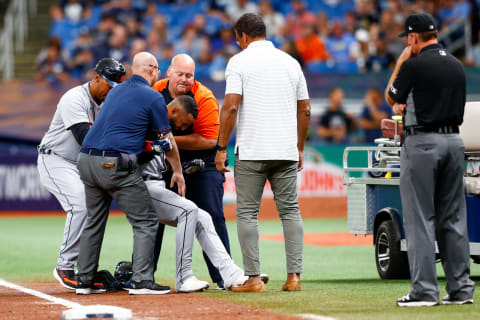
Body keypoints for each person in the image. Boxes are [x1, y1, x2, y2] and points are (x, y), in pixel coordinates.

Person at [215, 13, 311, 292]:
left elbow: (231, 107)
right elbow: (305, 109)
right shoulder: (291, 62)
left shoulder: (239, 62)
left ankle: (254, 279)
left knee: (246, 213)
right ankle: (294, 278)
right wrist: (300, 147)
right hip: (285, 150)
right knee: (291, 212)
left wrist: (222, 147)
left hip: (253, 150)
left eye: (237, 38)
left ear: (243, 36)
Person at [385, 13, 475, 307]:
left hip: (423, 143)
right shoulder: (456, 64)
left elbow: (391, 95)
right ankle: (461, 289)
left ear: (413, 38)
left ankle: (424, 291)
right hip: (454, 142)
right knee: (453, 219)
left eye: (408, 39)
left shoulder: (414, 64)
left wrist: (402, 61)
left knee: (420, 218)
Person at [75, 52, 180, 295]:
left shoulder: (115, 92)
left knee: (94, 221)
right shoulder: (153, 96)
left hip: (85, 160)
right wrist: (177, 169)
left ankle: (84, 280)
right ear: (153, 70)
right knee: (145, 220)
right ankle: (142, 281)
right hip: (113, 164)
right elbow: (167, 139)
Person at [37, 57, 126, 290]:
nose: (112, 92)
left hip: (80, 163)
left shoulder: (108, 102)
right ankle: (65, 266)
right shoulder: (74, 98)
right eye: (109, 85)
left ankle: (87, 269)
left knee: (96, 209)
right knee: (81, 205)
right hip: (55, 159)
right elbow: (86, 140)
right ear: (96, 78)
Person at [152, 54, 231, 289]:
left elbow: (209, 140)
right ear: (169, 73)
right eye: (180, 74)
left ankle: (224, 276)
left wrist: (167, 140)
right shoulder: (156, 91)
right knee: (152, 216)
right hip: (166, 163)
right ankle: (144, 275)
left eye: (189, 75)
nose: (185, 79)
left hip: (202, 163)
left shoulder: (204, 97)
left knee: (212, 214)